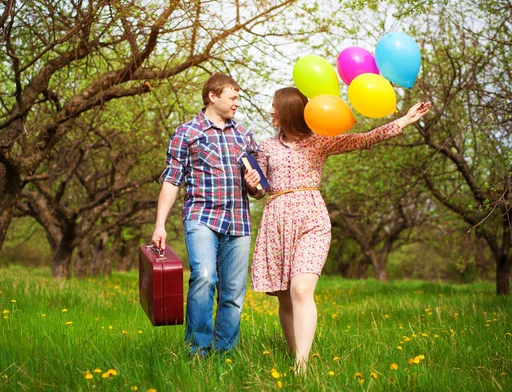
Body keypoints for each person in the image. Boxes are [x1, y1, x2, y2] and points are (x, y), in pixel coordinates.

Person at [249, 87, 431, 374]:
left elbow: (362, 139)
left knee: (300, 289)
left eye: (275, 106)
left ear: (289, 111)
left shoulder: (318, 142)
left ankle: (302, 366)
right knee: (285, 296)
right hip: (277, 222)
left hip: (312, 220)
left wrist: (404, 120)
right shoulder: (266, 146)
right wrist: (251, 183)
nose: (271, 111)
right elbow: (258, 190)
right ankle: (294, 353)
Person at [151, 73, 262, 356]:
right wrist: (159, 225)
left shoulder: (244, 136)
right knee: (203, 276)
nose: (237, 103)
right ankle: (197, 351)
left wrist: (255, 186)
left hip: (238, 221)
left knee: (233, 292)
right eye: (233, 97)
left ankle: (224, 353)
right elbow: (171, 180)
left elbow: (259, 189)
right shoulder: (187, 133)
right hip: (202, 216)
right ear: (213, 96)